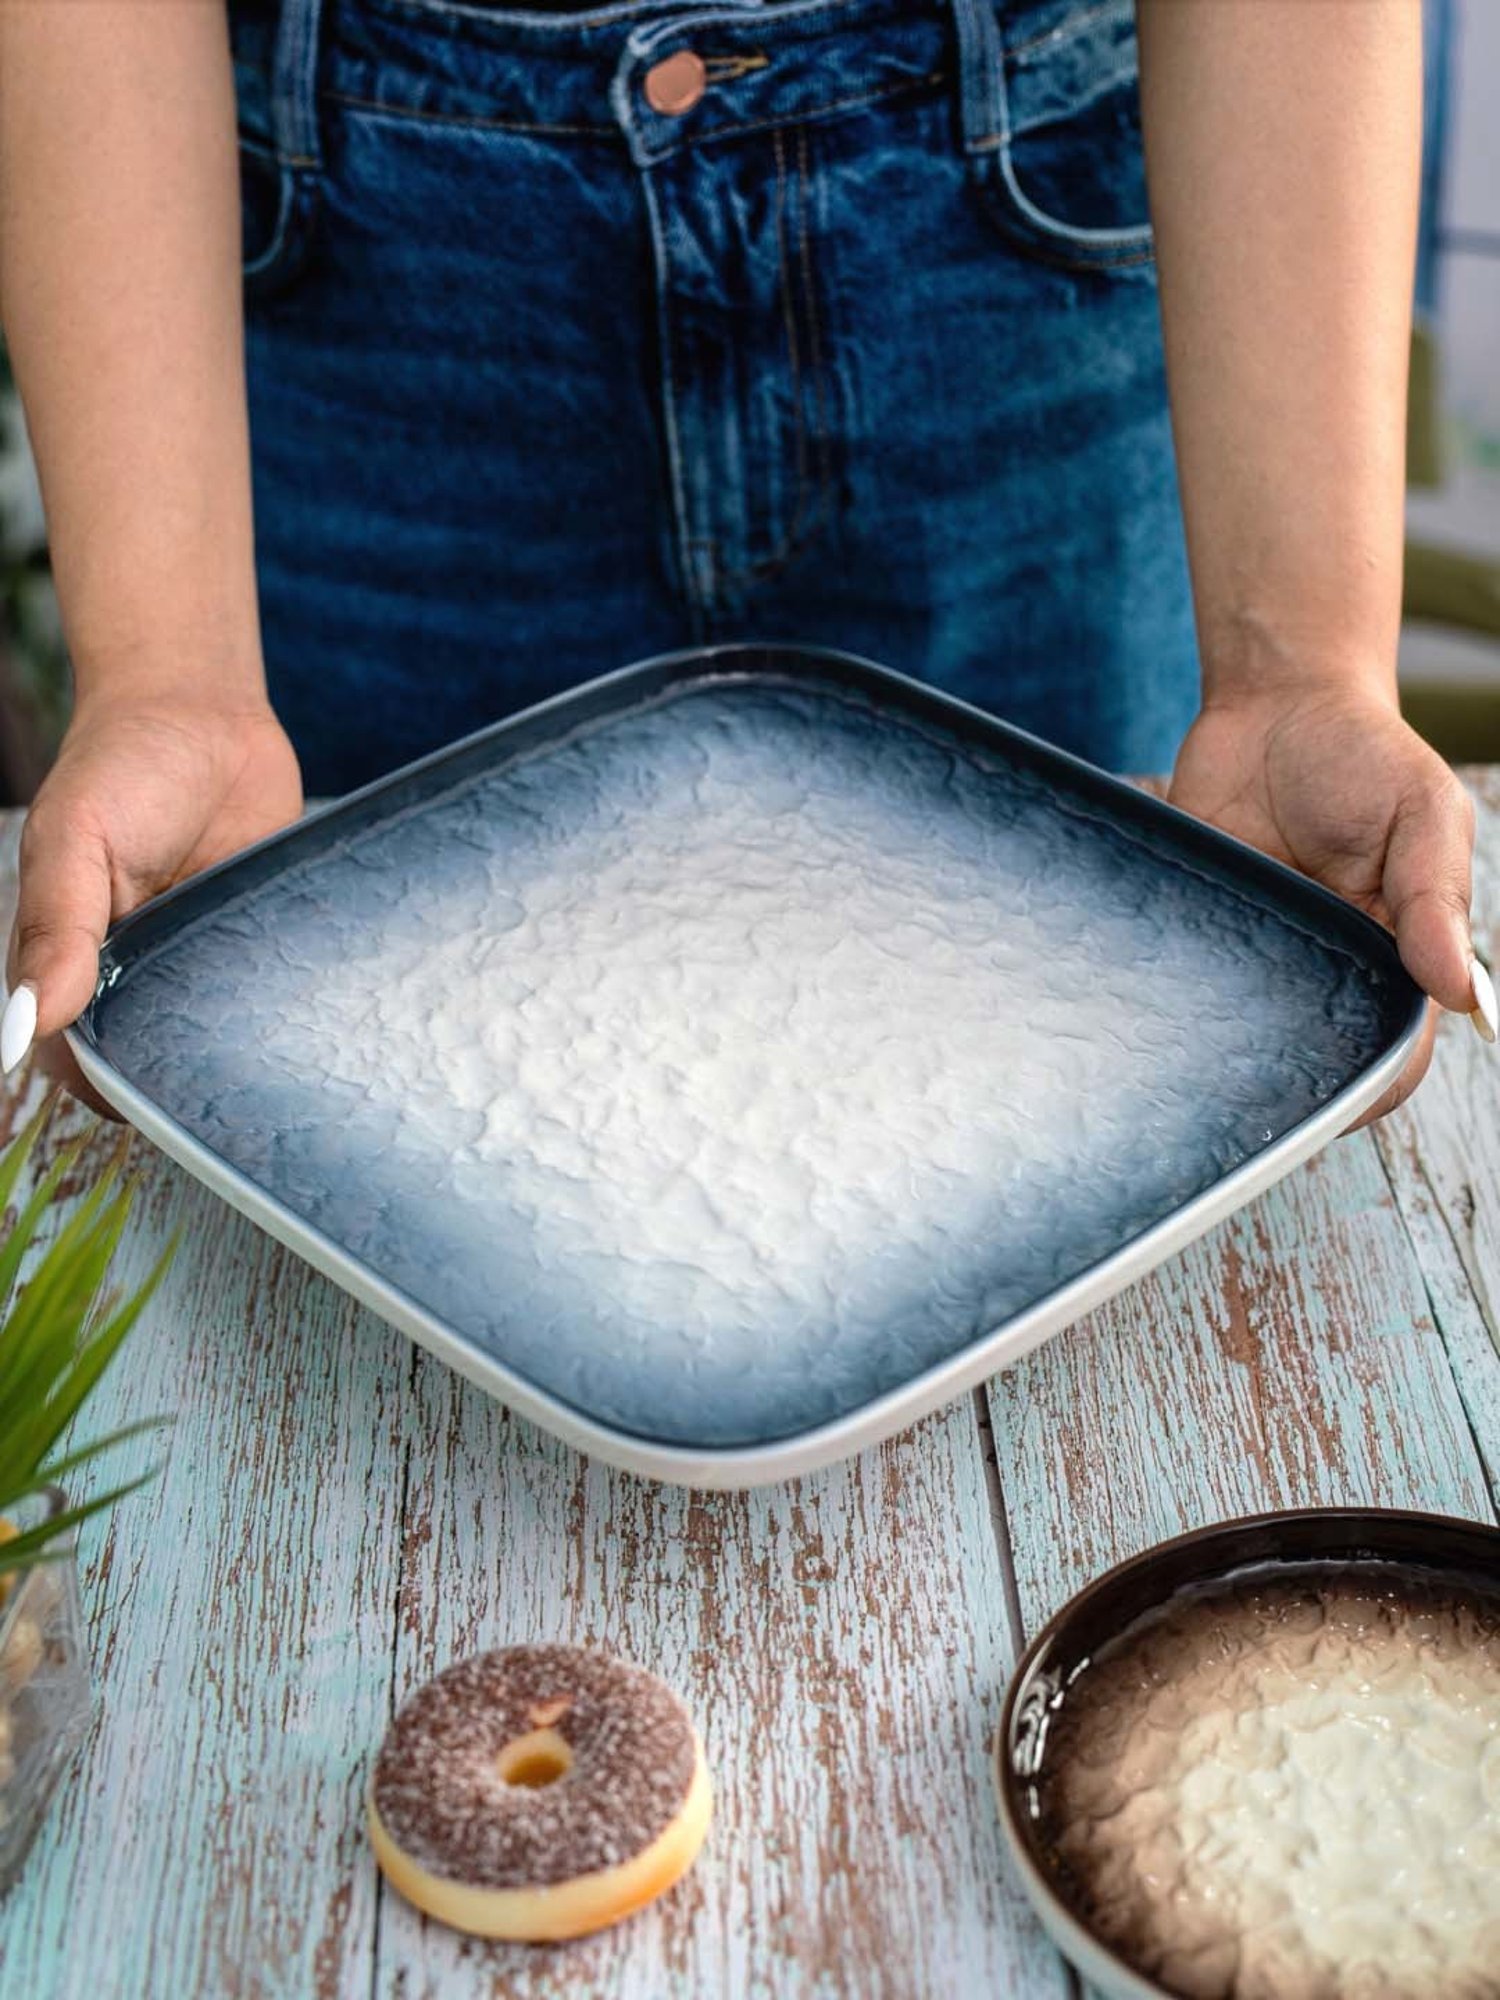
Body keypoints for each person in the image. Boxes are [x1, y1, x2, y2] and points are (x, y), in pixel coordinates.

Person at [0, 0, 1491, 1103]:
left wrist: (1301, 661)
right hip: (375, 287)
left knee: (1064, 1079)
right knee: (374, 1090)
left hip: (1010, 243)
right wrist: (171, 677)